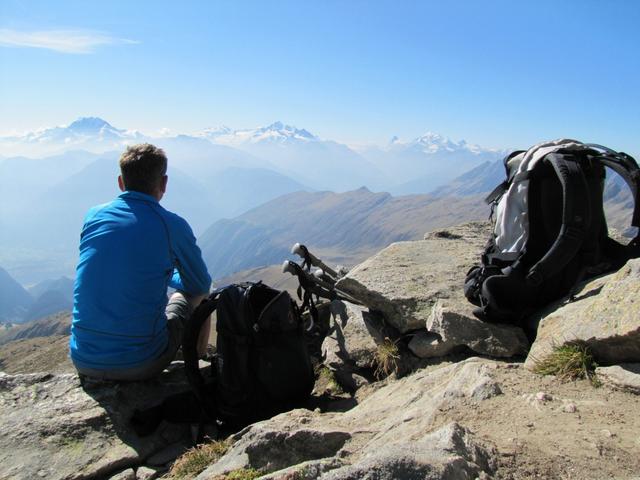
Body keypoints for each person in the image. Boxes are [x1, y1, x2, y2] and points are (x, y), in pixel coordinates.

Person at [69, 143, 211, 381]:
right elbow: (199, 284)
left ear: (121, 182)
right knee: (200, 295)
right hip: (141, 361)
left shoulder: (93, 215)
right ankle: (195, 370)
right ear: (164, 183)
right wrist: (167, 274)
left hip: (82, 358)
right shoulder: (171, 224)